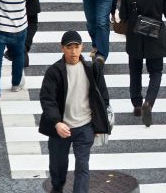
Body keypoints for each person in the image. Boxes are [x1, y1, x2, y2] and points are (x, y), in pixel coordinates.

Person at [37, 30, 111, 193]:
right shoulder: (54, 71)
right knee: (58, 166)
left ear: (82, 47)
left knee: (82, 168)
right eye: (69, 47)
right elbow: (47, 100)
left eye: (77, 47)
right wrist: (57, 122)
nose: (73, 51)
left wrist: (98, 124)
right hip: (61, 129)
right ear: (62, 48)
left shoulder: (92, 69)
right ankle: (57, 188)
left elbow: (103, 97)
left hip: (85, 127)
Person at [117, 0, 166, 127]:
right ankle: (149, 102)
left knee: (135, 71)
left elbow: (123, 15)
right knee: (155, 72)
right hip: (155, 35)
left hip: (134, 35)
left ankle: (136, 104)